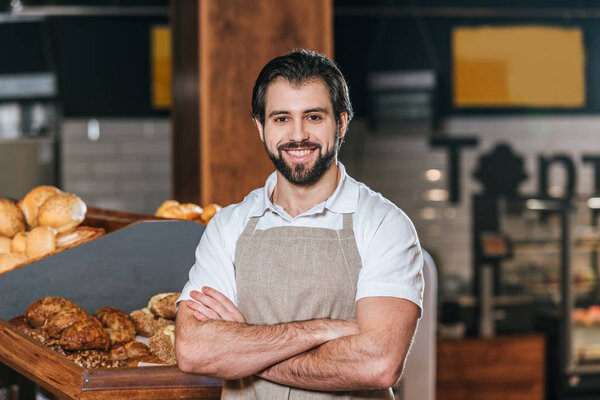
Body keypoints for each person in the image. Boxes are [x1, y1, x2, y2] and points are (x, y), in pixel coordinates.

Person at [175, 49, 424, 400]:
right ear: (260, 127)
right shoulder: (229, 225)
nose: (298, 135)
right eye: (281, 119)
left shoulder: (384, 224)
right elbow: (193, 350)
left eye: (313, 117)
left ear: (341, 123)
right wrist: (324, 330)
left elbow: (378, 364)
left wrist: (246, 348)